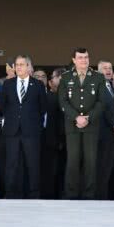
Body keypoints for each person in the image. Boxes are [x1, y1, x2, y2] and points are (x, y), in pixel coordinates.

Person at [58, 48, 106, 199]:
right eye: (80, 58)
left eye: (86, 57)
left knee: (90, 162)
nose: (84, 60)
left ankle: (89, 194)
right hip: (72, 125)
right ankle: (71, 194)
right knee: (72, 160)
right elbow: (63, 101)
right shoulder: (66, 77)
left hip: (91, 125)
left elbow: (101, 102)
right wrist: (76, 117)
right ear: (74, 60)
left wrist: (88, 118)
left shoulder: (98, 77)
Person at [0, 55, 46, 199]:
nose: (18, 67)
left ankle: (33, 195)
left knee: (32, 164)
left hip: (31, 131)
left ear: (28, 67)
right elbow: (3, 106)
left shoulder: (37, 85)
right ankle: (11, 194)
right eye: (16, 64)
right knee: (11, 164)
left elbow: (42, 107)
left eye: (21, 64)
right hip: (12, 130)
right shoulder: (8, 84)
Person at [96, 60, 114, 199]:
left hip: (113, 133)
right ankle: (99, 195)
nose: (108, 70)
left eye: (110, 68)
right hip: (102, 132)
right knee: (101, 165)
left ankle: (105, 194)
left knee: (109, 166)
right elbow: (104, 108)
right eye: (104, 68)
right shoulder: (98, 86)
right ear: (98, 71)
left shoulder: (113, 87)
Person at [42, 67, 66, 199]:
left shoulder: (69, 97)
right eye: (59, 77)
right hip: (50, 142)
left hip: (67, 141)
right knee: (50, 171)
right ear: (50, 82)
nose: (62, 80)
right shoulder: (48, 97)